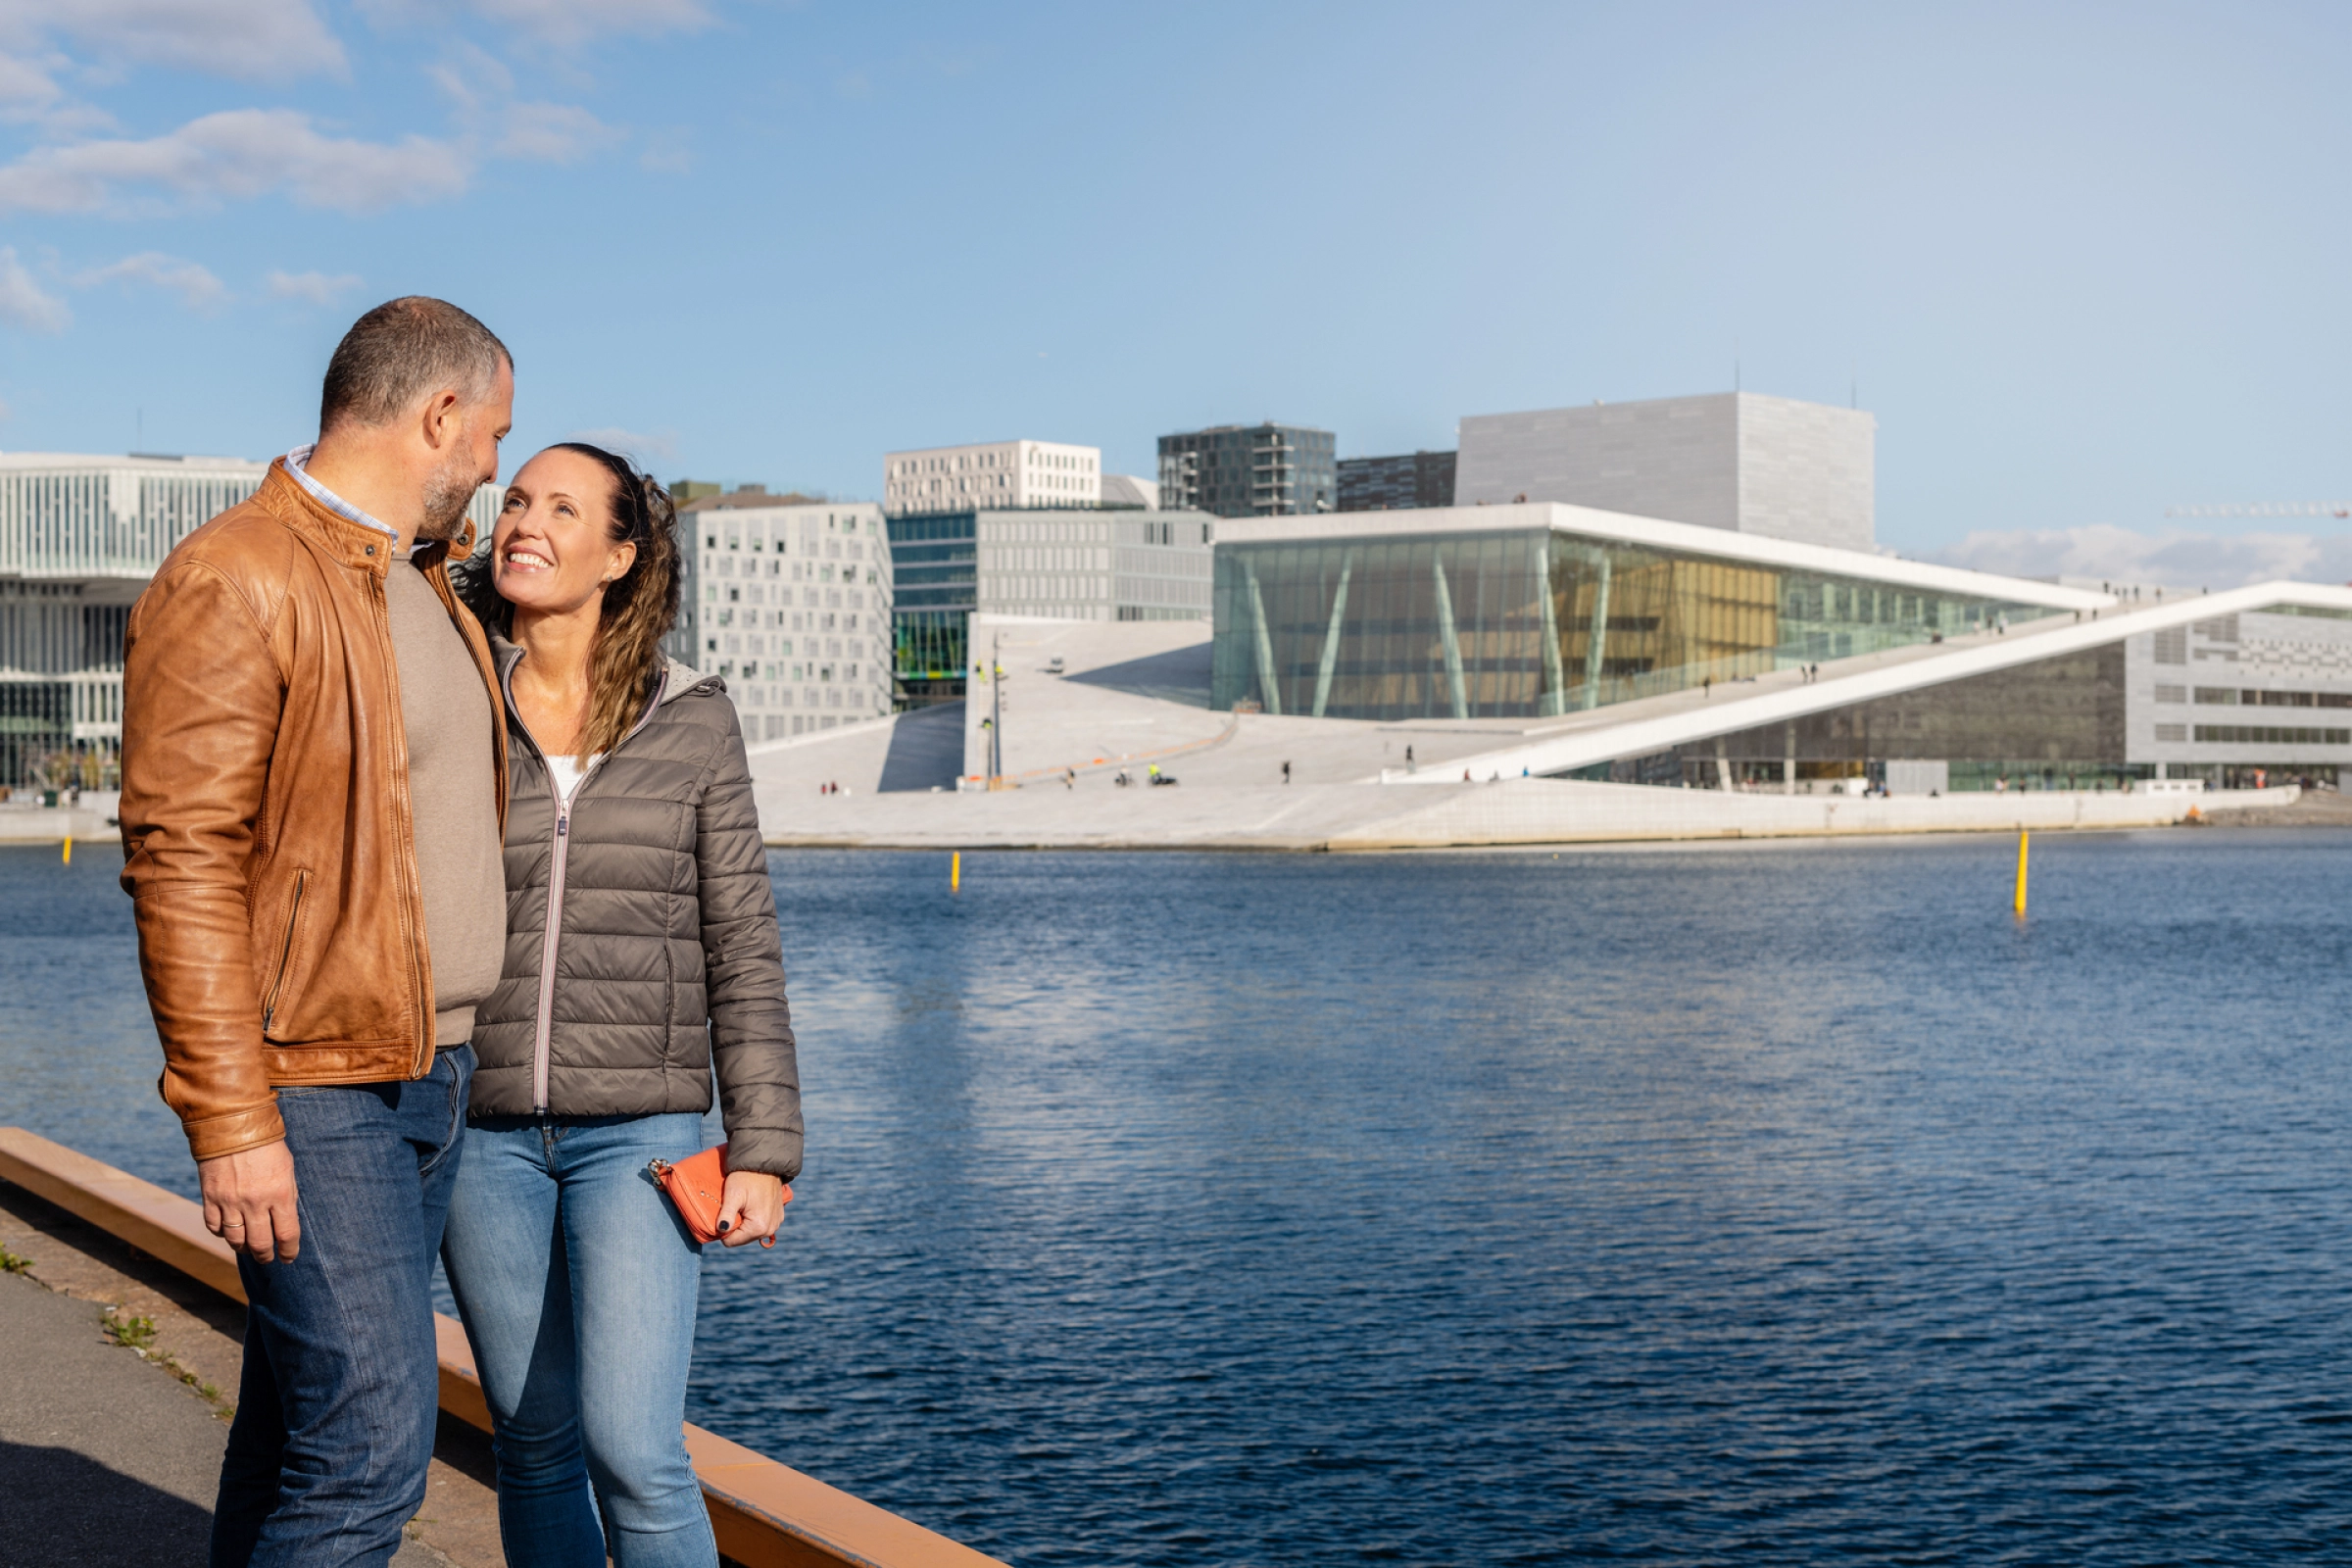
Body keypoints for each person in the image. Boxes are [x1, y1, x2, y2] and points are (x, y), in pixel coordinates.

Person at [119, 297, 514, 1566]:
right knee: (371, 1445)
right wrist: (231, 1124)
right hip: (314, 1081)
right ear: (437, 415)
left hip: (431, 1069)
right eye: (494, 435)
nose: (497, 468)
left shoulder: (419, 585)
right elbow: (183, 861)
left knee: (301, 1425)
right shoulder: (238, 573)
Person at [441, 443, 800, 1568]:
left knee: (635, 1448)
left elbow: (740, 938)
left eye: (560, 506)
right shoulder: (456, 694)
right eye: (513, 501)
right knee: (535, 1442)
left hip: (639, 1134)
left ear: (621, 553)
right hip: (478, 1123)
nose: (523, 522)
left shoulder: (691, 718)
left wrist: (767, 1150)